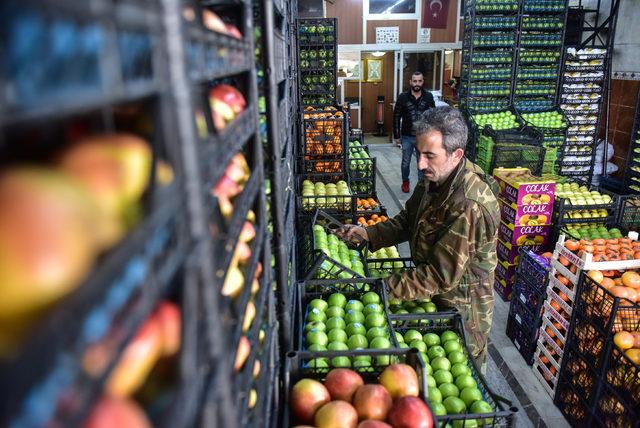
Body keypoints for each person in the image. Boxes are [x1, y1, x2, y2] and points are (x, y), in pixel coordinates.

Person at [337, 106, 500, 371]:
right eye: (418, 153)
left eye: (429, 156)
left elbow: (438, 276)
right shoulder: (435, 177)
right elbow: (408, 219)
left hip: (460, 315)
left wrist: (381, 289)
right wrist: (369, 233)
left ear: (456, 155)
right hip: (430, 301)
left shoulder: (469, 205)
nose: (420, 164)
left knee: (457, 380)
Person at [393, 71, 435, 193]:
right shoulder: (403, 97)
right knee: (405, 162)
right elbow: (396, 116)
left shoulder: (428, 97)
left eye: (419, 81)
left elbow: (433, 117)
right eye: (415, 81)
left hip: (423, 137)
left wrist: (432, 135)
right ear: (410, 82)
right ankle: (405, 181)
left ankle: (421, 186)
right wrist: (397, 135)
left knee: (422, 162)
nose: (417, 83)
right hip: (406, 136)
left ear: (423, 82)